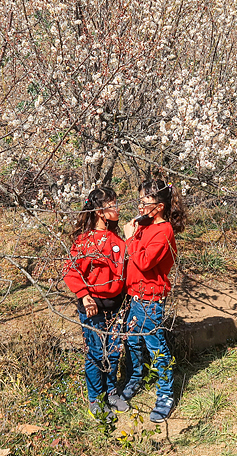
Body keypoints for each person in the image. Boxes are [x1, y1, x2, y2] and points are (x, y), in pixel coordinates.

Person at [120, 179, 187, 423]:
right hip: (134, 296)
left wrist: (129, 239)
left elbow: (145, 261)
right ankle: (136, 378)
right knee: (133, 342)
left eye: (144, 202)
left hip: (150, 299)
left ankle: (166, 394)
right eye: (139, 201)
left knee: (156, 346)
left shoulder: (164, 230)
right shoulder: (143, 226)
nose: (139, 206)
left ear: (158, 206)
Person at [64, 186, 130, 420]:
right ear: (100, 211)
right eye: (112, 205)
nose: (117, 209)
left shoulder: (117, 240)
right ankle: (96, 398)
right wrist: (84, 294)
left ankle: (111, 391)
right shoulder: (84, 242)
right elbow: (70, 270)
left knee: (112, 350)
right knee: (95, 352)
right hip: (93, 306)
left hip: (116, 304)